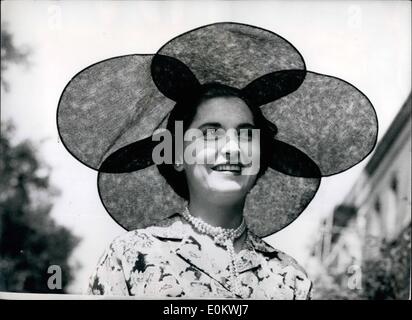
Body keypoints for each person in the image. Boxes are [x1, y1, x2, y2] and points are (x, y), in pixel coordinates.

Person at [57, 23, 378, 299]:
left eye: (245, 135)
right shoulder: (131, 257)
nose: (231, 148)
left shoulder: (290, 280)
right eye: (210, 133)